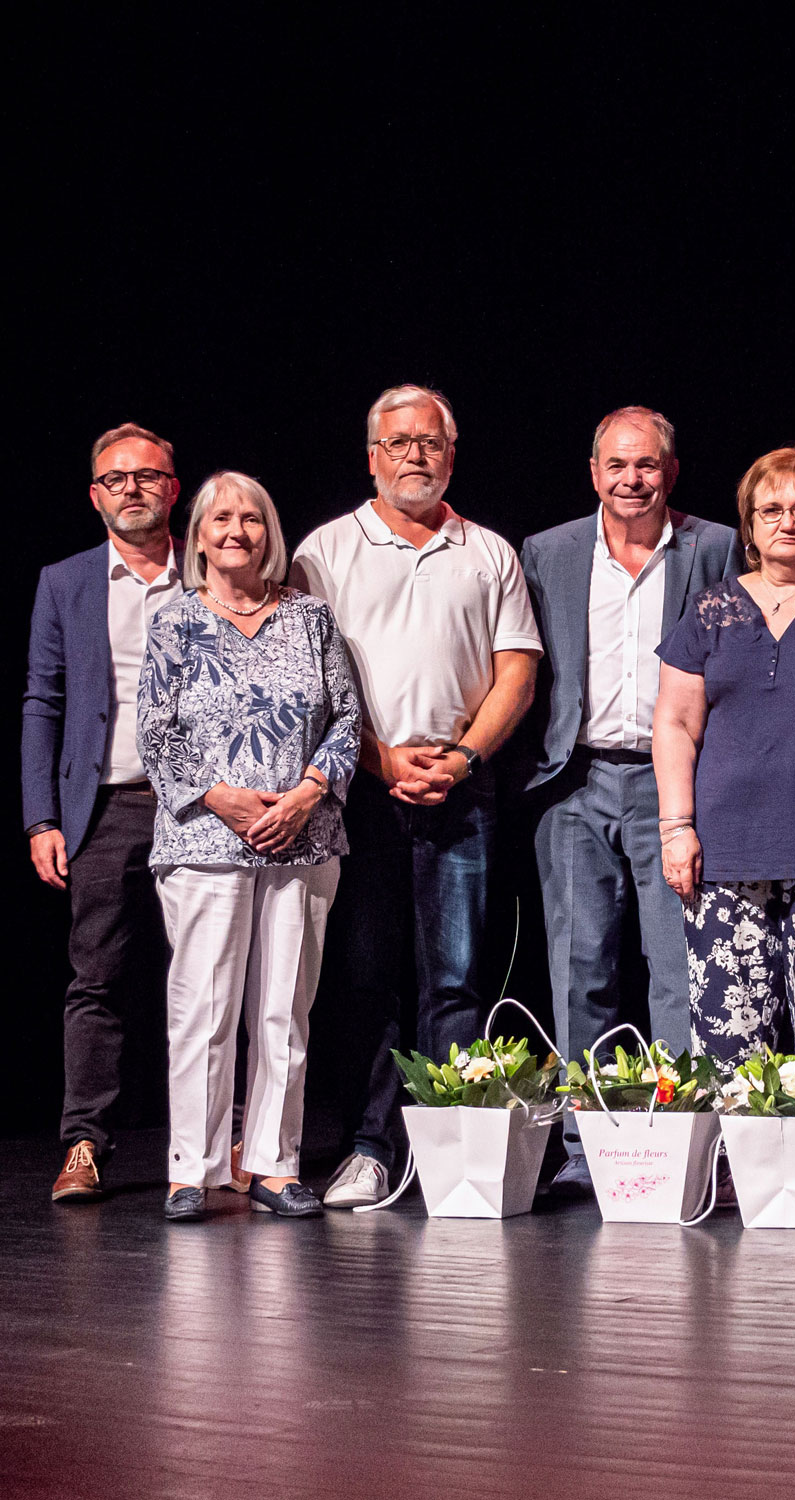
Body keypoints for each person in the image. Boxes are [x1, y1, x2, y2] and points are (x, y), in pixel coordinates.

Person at [290, 385, 543, 1208]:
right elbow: (308, 685)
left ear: (451, 453)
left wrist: (462, 758)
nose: (414, 456)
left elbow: (517, 672)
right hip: (361, 793)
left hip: (461, 791)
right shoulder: (325, 552)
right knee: (366, 977)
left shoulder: (490, 552)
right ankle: (370, 1146)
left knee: (458, 977)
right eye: (397, 443)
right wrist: (380, 760)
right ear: (372, 455)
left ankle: (452, 1146)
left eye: (429, 443)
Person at [520, 406, 740, 1195]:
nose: (631, 479)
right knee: (578, 970)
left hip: (671, 784)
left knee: (678, 971)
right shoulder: (548, 552)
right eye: (616, 465)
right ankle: (586, 1150)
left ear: (670, 473)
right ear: (593, 473)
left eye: (646, 465)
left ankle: (688, 1145)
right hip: (575, 783)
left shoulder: (714, 548)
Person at [654, 447, 795, 1200]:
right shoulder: (712, 609)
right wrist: (675, 828)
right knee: (731, 1019)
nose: (787, 522)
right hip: (725, 847)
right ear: (748, 524)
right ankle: (743, 1162)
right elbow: (676, 725)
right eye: (770, 510)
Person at [137, 473, 360, 1222]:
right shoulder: (173, 623)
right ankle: (192, 1170)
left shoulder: (311, 619)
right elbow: (156, 732)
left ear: (271, 534)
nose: (237, 530)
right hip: (204, 839)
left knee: (282, 1012)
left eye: (253, 519)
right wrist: (225, 800)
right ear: (197, 534)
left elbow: (347, 720)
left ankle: (272, 1164)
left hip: (303, 839)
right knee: (202, 1010)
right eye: (221, 518)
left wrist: (305, 795)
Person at [25, 424, 183, 1203]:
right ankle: (84, 1142)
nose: (132, 489)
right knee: (98, 981)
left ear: (173, 489)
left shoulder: (215, 570)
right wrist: (40, 817)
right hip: (106, 806)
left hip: (206, 809)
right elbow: (43, 701)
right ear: (95, 496)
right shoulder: (66, 582)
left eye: (147, 477)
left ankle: (224, 1139)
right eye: (115, 479)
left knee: (220, 980)